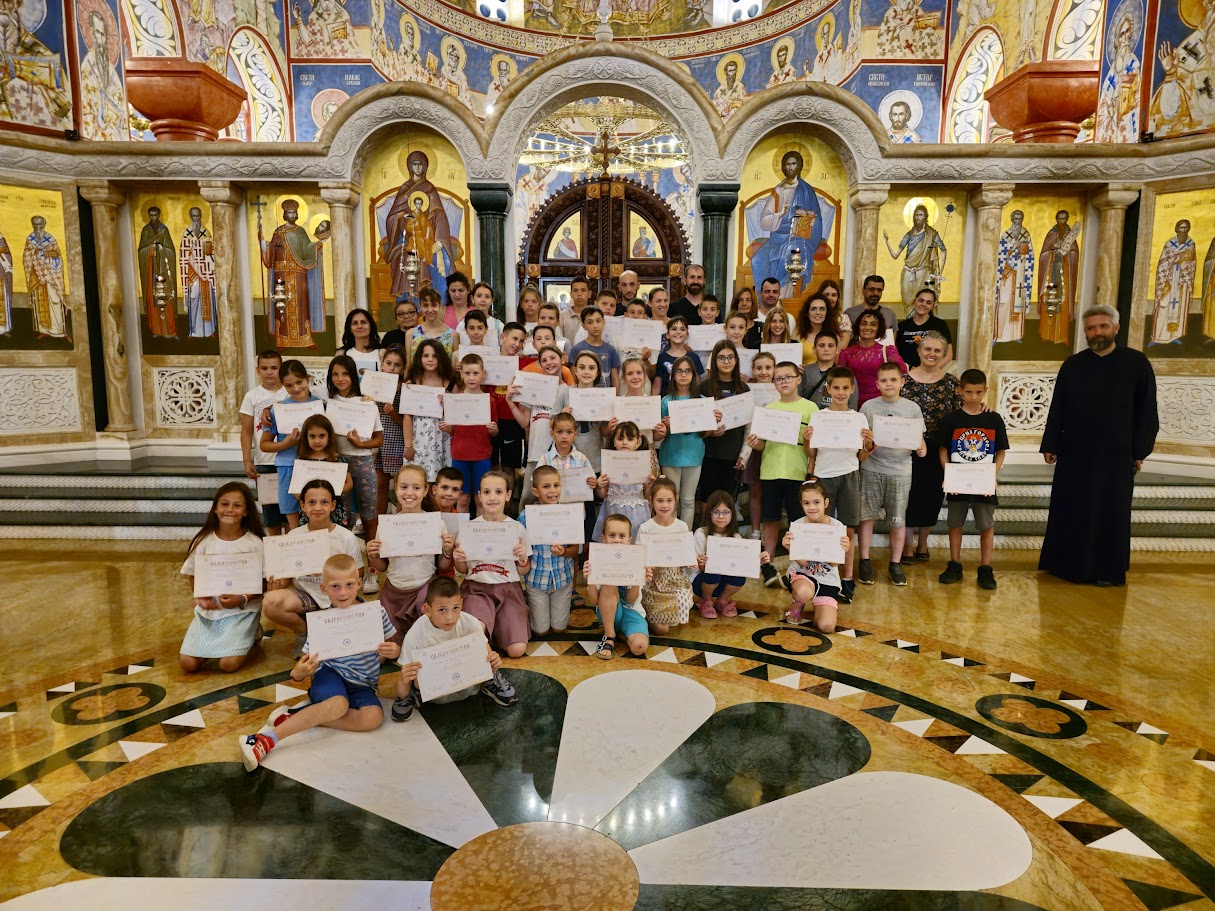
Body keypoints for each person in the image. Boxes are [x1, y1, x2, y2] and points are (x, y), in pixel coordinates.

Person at [239, 554, 398, 770]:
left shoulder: (375, 612)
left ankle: (296, 716)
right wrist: (300, 672)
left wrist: (393, 650)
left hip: (363, 682)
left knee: (373, 718)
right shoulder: (322, 622)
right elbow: (300, 670)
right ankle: (264, 740)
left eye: (349, 585)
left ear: (359, 583)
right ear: (323, 589)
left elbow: (393, 646)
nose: (343, 592)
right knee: (338, 705)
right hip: (330, 675)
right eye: (335, 586)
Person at [1039, 305, 1158, 586]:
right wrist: (1051, 443)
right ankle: (1065, 565)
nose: (1097, 332)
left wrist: (1139, 451)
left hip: (1116, 453)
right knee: (1072, 507)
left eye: (1103, 326)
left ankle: (1107, 571)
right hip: (1075, 451)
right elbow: (1058, 407)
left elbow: (1147, 411)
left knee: (1110, 511)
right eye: (1091, 328)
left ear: (1116, 328)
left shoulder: (1136, 363)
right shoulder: (1073, 365)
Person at [262, 479, 366, 658]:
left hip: (337, 596)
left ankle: (327, 630)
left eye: (324, 502)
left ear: (333, 505)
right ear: (303, 505)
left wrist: (333, 576)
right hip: (307, 596)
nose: (318, 507)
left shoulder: (346, 537)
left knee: (349, 644)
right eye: (311, 502)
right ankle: (306, 634)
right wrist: (279, 583)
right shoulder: (294, 536)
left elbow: (359, 573)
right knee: (270, 602)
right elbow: (287, 576)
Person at [391, 576, 516, 722]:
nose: (450, 617)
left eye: (455, 608)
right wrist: (402, 684)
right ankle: (412, 695)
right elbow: (405, 678)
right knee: (410, 678)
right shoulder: (415, 635)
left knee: (484, 653)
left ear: (462, 604)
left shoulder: (470, 622)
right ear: (427, 609)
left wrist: (492, 664)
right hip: (433, 696)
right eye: (442, 610)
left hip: (468, 686)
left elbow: (487, 654)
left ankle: (489, 681)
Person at [178, 482, 266, 673]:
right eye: (224, 504)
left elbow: (262, 581)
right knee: (187, 664)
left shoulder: (254, 543)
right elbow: (192, 573)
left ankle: (252, 633)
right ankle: (214, 645)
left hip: (242, 612)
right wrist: (203, 597)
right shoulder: (204, 540)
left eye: (237, 505)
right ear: (216, 509)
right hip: (210, 614)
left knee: (228, 665)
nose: (230, 510)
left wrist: (242, 598)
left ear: (246, 512)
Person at [935, 369, 1009, 591]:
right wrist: (948, 474)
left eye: (978, 392)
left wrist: (992, 476)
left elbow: (1001, 451)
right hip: (958, 481)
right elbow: (943, 449)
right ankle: (955, 564)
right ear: (960, 391)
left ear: (985, 391)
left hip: (983, 482)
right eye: (969, 392)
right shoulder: (952, 419)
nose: (974, 397)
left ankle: (985, 567)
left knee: (986, 525)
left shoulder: (993, 419)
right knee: (955, 523)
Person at [367, 464, 456, 644]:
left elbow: (441, 567)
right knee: (388, 645)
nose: (409, 493)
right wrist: (373, 556)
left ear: (425, 491)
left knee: (428, 642)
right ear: (396, 488)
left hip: (424, 590)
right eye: (404, 487)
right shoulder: (387, 525)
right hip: (393, 593)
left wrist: (448, 551)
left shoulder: (435, 523)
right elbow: (383, 567)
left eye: (416, 488)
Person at [749, 360, 817, 588]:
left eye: (788, 377)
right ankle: (767, 564)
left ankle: (796, 567)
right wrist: (755, 443)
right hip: (771, 471)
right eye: (779, 378)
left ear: (798, 378)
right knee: (770, 519)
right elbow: (762, 446)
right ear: (774, 383)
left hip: (798, 472)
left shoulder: (810, 408)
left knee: (797, 522)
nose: (784, 382)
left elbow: (814, 448)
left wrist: (811, 469)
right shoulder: (769, 409)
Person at [857, 362, 926, 588]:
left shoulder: (912, 408)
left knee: (897, 519)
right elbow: (860, 440)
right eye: (884, 380)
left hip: (900, 472)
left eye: (893, 380)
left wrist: (921, 447)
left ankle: (895, 563)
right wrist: (867, 440)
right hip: (872, 469)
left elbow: (919, 438)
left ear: (902, 382)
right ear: (877, 384)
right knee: (866, 516)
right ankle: (864, 560)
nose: (888, 384)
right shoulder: (868, 407)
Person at [806, 366, 870, 605]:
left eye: (845, 388)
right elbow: (810, 453)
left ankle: (847, 578)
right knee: (822, 528)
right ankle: (819, 575)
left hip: (850, 475)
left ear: (852, 390)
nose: (841, 393)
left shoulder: (859, 418)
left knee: (847, 530)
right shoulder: (819, 416)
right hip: (823, 476)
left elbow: (862, 457)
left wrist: (867, 445)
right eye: (836, 388)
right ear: (828, 389)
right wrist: (807, 439)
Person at [453, 471, 531, 660]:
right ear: (479, 496)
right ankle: (488, 634)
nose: (492, 497)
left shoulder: (517, 528)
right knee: (476, 629)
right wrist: (458, 558)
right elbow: (462, 570)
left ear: (508, 495)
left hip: (508, 591)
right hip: (476, 589)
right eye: (487, 492)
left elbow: (523, 571)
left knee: (517, 650)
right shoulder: (468, 528)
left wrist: (522, 559)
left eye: (498, 492)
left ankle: (497, 629)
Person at [900, 331, 960, 562]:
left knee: (931, 496)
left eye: (937, 350)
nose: (931, 354)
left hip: (937, 450)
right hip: (907, 449)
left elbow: (961, 414)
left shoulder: (952, 383)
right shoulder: (903, 380)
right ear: (919, 351)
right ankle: (906, 546)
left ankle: (922, 543)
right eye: (927, 349)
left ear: (944, 354)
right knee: (906, 496)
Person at [259, 359, 324, 531]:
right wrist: (286, 443)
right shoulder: (277, 410)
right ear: (282, 386)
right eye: (289, 385)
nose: (296, 389)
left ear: (308, 378)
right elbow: (264, 445)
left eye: (299, 382)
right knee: (292, 517)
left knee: (317, 510)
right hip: (288, 465)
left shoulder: (321, 405)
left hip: (315, 466)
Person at [327, 355, 383, 549]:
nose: (340, 378)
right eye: (335, 374)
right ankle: (342, 557)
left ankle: (372, 565)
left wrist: (361, 445)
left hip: (362, 461)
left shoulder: (367, 404)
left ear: (353, 376)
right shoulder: (327, 402)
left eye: (344, 374)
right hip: (336, 462)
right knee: (341, 514)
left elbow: (378, 439)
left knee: (369, 512)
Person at [782, 480, 851, 631]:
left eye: (816, 502)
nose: (812, 507)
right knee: (804, 592)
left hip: (828, 579)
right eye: (807, 503)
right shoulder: (798, 526)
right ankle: (797, 602)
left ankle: (820, 606)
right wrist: (790, 548)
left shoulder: (837, 527)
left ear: (826, 503)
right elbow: (804, 563)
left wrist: (843, 549)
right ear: (801, 504)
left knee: (826, 626)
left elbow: (833, 564)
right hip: (804, 574)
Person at [518, 466, 579, 636]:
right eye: (546, 486)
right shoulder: (525, 517)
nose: (552, 491)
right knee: (540, 631)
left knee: (559, 629)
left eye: (556, 485)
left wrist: (563, 553)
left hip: (562, 580)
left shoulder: (569, 514)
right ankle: (528, 609)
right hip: (537, 581)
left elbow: (575, 550)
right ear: (535, 491)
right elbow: (521, 549)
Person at [440, 353, 502, 513]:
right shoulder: (455, 399)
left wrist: (494, 430)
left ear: (483, 374)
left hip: (482, 456)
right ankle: (462, 535)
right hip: (460, 455)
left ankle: (479, 533)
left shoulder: (490, 401)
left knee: (480, 499)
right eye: (467, 373)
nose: (471, 378)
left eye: (475, 373)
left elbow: (494, 431)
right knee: (462, 498)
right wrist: (447, 428)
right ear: (461, 374)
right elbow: (453, 430)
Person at [693, 490, 770, 618]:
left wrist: (758, 561)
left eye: (726, 512)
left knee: (739, 576)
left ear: (732, 514)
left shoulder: (735, 536)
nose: (721, 516)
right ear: (709, 513)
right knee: (713, 572)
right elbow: (695, 566)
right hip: (701, 582)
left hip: (723, 582)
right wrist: (701, 563)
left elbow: (743, 565)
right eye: (716, 512)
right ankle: (706, 601)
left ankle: (722, 600)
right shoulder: (701, 534)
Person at [660, 355, 716, 527]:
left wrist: (712, 422)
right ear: (673, 374)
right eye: (679, 371)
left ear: (693, 374)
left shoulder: (701, 401)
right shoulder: (666, 400)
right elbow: (660, 434)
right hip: (671, 454)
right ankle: (672, 535)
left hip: (694, 453)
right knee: (672, 499)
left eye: (688, 371)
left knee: (688, 500)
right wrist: (665, 425)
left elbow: (704, 433)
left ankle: (686, 537)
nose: (683, 375)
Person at [585, 513, 651, 659]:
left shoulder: (636, 560)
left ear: (629, 539)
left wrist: (637, 580)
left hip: (631, 612)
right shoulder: (597, 560)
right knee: (609, 583)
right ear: (603, 538)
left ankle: (621, 632)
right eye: (612, 535)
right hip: (608, 613)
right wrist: (590, 580)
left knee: (639, 646)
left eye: (622, 536)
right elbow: (594, 601)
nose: (617, 540)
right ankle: (609, 634)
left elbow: (631, 600)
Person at [240, 350, 287, 534]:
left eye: (274, 368)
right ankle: (276, 553)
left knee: (290, 513)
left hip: (290, 461)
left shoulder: (289, 393)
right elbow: (246, 430)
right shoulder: (252, 396)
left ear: (281, 369)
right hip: (265, 463)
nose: (269, 372)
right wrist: (246, 460)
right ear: (257, 370)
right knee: (272, 515)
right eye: (265, 368)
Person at [638, 478, 693, 634]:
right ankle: (648, 613)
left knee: (675, 620)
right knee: (662, 629)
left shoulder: (682, 526)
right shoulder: (646, 527)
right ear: (651, 500)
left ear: (675, 501)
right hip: (652, 581)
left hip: (674, 579)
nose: (664, 505)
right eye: (660, 500)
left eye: (669, 500)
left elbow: (686, 554)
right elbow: (638, 555)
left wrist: (691, 561)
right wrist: (645, 565)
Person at [593, 419, 658, 542]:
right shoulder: (608, 463)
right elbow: (602, 494)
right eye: (620, 439)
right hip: (613, 511)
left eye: (630, 439)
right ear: (614, 441)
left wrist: (650, 486)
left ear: (638, 442)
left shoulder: (643, 463)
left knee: (636, 546)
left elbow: (647, 495)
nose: (624, 443)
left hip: (637, 513)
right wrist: (599, 486)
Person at [401, 338, 454, 483]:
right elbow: (407, 417)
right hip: (419, 439)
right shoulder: (412, 382)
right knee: (417, 479)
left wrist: (449, 404)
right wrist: (408, 445)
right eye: (426, 356)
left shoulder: (450, 382)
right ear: (419, 358)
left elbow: (457, 414)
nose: (430, 359)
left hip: (443, 439)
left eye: (435, 356)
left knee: (442, 481)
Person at [293, 414, 354, 528]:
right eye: (312, 436)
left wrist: (331, 493)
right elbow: (294, 488)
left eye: (322, 436)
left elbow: (349, 483)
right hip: (310, 510)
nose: (317, 441)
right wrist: (304, 499)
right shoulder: (302, 460)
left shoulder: (337, 458)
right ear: (306, 438)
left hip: (333, 507)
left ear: (329, 437)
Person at [839, 310, 906, 405]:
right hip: (851, 403)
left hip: (880, 404)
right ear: (858, 326)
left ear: (879, 328)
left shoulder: (887, 351)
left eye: (873, 324)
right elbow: (839, 380)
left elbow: (902, 373)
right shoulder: (846, 353)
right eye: (864, 324)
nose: (867, 327)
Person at [895, 288, 953, 367]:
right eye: (921, 300)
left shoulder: (940, 324)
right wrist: (907, 369)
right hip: (907, 372)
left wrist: (932, 369)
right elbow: (895, 353)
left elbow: (949, 354)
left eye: (928, 302)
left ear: (932, 306)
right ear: (914, 301)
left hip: (932, 372)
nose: (924, 304)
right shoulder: (901, 326)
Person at [569, 304, 621, 388]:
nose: (595, 326)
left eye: (598, 321)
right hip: (582, 397)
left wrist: (616, 399)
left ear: (603, 322)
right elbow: (573, 379)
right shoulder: (577, 349)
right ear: (583, 325)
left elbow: (615, 379)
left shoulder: (611, 350)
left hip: (605, 398)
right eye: (590, 322)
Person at [799, 331, 852, 410]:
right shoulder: (805, 372)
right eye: (821, 345)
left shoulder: (845, 374)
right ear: (814, 349)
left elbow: (852, 404)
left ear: (837, 350)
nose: (826, 349)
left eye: (830, 346)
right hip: (810, 418)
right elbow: (797, 399)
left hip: (837, 419)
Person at [409, 287, 459, 358]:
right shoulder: (411, 334)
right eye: (425, 305)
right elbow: (409, 366)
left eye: (434, 305)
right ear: (420, 305)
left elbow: (454, 365)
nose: (430, 310)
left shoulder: (453, 335)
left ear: (440, 305)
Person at [844, 275, 897, 342]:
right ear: (863, 290)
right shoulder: (850, 313)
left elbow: (892, 343)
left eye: (879, 290)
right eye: (872, 289)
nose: (875, 293)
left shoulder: (890, 314)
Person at [337, 309, 382, 375]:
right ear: (350, 329)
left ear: (371, 326)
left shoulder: (382, 354)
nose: (359, 326)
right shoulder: (342, 354)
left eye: (363, 322)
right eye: (355, 323)